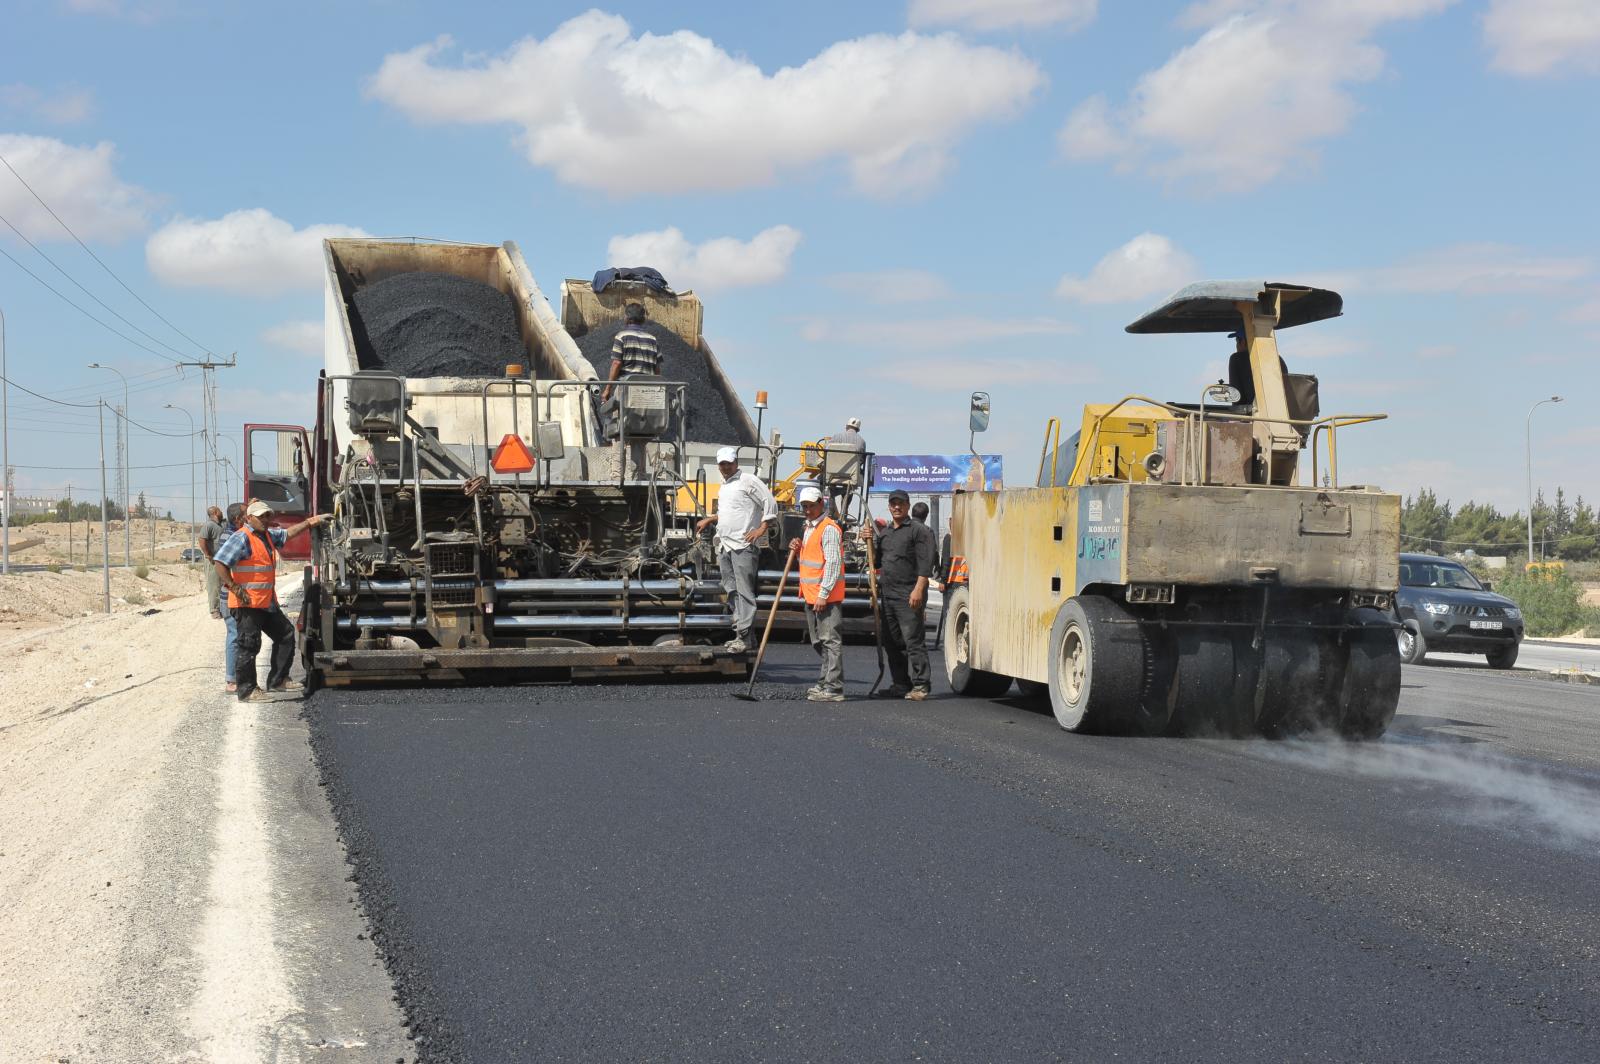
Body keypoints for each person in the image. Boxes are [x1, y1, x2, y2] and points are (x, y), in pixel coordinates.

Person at [213, 499, 327, 702]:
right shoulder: (242, 537)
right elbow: (220, 563)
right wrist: (235, 587)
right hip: (246, 604)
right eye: (261, 517)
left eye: (268, 516)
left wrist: (311, 521)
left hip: (265, 602)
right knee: (249, 646)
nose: (266, 520)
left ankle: (277, 680)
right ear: (249, 518)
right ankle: (247, 691)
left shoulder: (266, 535)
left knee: (285, 635)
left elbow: (288, 533)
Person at [695, 446, 776, 653]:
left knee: (744, 592)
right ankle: (744, 635)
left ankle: (744, 636)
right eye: (722, 464)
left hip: (743, 545)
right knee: (731, 590)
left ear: (736, 463)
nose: (725, 467)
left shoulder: (748, 480)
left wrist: (761, 529)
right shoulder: (725, 486)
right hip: (725, 544)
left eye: (729, 463)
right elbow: (731, 512)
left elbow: (770, 502)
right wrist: (710, 519)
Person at [865, 489, 936, 700]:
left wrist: (918, 589)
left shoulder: (918, 531)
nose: (897, 507)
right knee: (892, 641)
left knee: (913, 641)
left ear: (907, 506)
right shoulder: (886, 533)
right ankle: (900, 683)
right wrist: (869, 540)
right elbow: (876, 561)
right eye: (893, 504)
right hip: (888, 595)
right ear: (889, 506)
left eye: (901, 504)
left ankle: (921, 685)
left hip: (908, 594)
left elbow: (926, 563)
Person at [789, 485, 845, 702]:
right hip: (811, 595)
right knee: (818, 641)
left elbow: (832, 563)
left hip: (826, 597)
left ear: (822, 504)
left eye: (811, 506)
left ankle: (834, 688)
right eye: (804, 506)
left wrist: (823, 594)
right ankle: (824, 682)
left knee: (830, 641)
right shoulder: (809, 528)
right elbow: (812, 558)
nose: (808, 510)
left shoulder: (828, 528)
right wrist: (798, 547)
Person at [599, 302, 660, 404]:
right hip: (649, 392)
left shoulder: (622, 336)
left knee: (621, 418)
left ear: (626, 318)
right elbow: (657, 369)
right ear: (643, 319)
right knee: (647, 419)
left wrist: (607, 389)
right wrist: (658, 390)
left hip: (627, 390)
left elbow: (616, 363)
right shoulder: (653, 339)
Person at [218, 502, 244, 691]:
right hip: (230, 595)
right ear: (237, 519)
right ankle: (231, 680)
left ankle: (237, 676)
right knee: (234, 635)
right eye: (246, 514)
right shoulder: (231, 537)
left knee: (239, 635)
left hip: (235, 594)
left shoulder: (233, 534)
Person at [197, 505, 228, 619]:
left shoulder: (221, 524)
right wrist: (208, 554)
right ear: (215, 512)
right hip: (213, 560)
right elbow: (201, 539)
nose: (221, 512)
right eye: (219, 510)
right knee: (214, 585)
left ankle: (223, 608)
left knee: (222, 584)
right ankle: (214, 610)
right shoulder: (209, 525)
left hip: (222, 560)